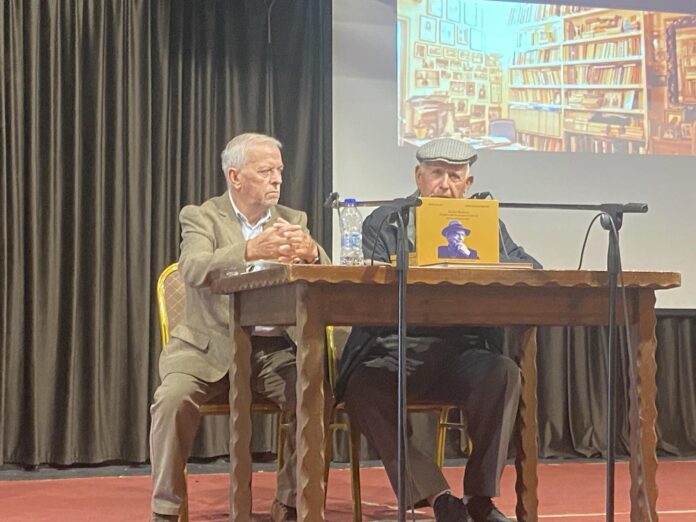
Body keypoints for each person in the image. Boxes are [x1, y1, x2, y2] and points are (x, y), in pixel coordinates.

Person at [336, 138, 541, 522]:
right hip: (396, 349)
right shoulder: (386, 220)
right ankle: (436, 494)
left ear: (468, 183)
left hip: (461, 351)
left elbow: (531, 268)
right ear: (419, 176)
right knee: (361, 387)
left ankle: (480, 498)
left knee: (504, 373)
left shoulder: (487, 224)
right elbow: (369, 288)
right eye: (436, 174)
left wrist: (496, 268)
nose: (445, 184)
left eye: (454, 176)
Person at [149, 133, 330, 522]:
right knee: (172, 400)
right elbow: (192, 268)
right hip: (208, 348)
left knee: (313, 396)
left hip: (272, 350)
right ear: (235, 176)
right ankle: (166, 509)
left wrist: (313, 253)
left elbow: (323, 276)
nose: (276, 179)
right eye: (265, 171)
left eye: (279, 170)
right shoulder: (201, 216)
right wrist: (249, 250)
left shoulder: (293, 219)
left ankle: (291, 503)